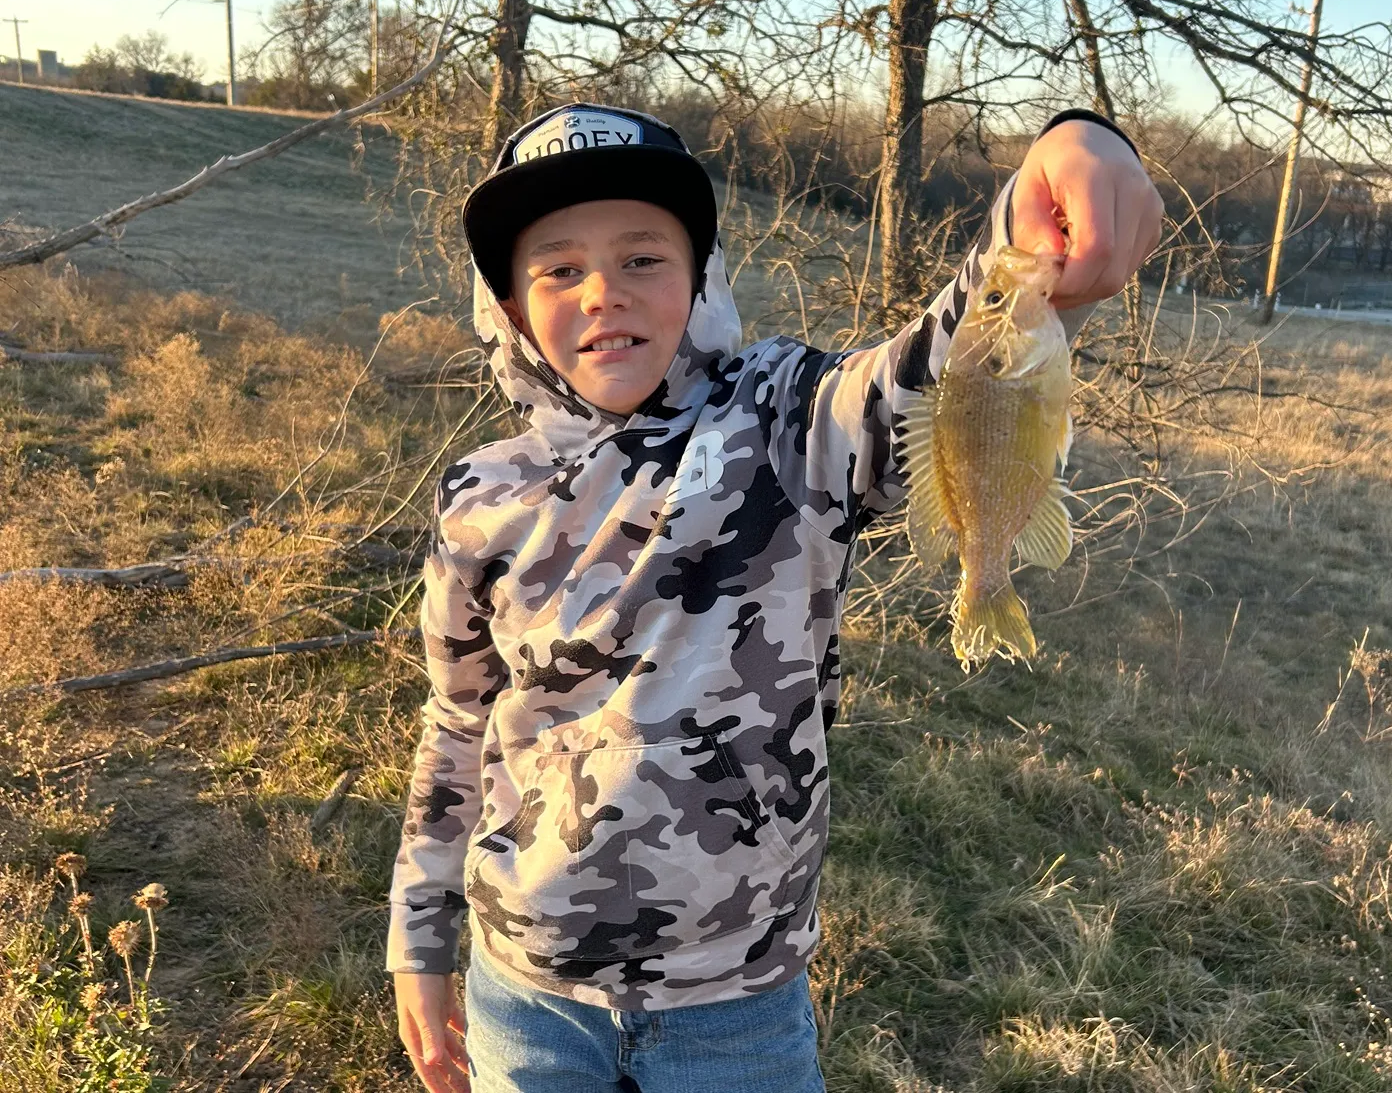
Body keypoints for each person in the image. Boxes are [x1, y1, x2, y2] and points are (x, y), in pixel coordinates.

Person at [388, 103, 1164, 1093]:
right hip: (526, 996)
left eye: (643, 258)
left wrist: (1058, 168)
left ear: (701, 278)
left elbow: (935, 368)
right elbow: (458, 719)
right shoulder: (479, 496)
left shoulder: (786, 420)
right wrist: (420, 937)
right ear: (507, 305)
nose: (603, 293)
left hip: (736, 1011)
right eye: (558, 269)